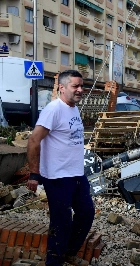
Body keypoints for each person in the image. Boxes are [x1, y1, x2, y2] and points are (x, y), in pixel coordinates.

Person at [27, 70, 94, 266]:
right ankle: (53, 261)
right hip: (57, 177)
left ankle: (69, 253)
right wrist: (34, 174)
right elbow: (33, 140)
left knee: (86, 213)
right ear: (62, 88)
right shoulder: (53, 109)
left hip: (76, 174)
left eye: (82, 86)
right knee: (61, 221)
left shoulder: (73, 107)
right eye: (75, 86)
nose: (80, 90)